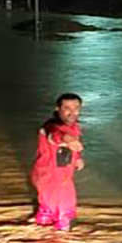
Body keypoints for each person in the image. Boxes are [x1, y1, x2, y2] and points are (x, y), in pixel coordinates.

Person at [32, 93, 85, 231]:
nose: (72, 112)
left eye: (76, 108)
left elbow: (73, 142)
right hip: (49, 174)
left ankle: (44, 228)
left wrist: (78, 157)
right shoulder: (51, 125)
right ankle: (62, 232)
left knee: (47, 208)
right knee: (64, 212)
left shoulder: (74, 127)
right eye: (67, 108)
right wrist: (67, 139)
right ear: (58, 109)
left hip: (59, 173)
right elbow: (54, 136)